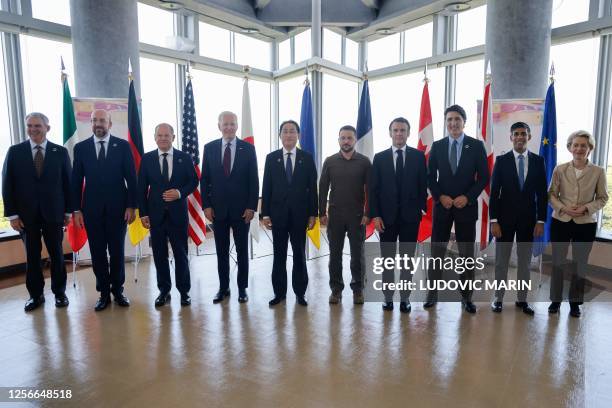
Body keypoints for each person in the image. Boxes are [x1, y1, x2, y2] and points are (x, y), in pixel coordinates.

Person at [2, 113, 72, 312]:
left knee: (57, 255)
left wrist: (68, 211)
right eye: (30, 126)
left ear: (47, 128)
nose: (33, 129)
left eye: (37, 126)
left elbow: (68, 183)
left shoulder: (60, 151)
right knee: (32, 257)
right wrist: (13, 215)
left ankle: (60, 293)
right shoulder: (15, 152)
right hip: (26, 217)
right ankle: (35, 295)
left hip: (54, 214)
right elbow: (7, 184)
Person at [426, 105, 489, 313]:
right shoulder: (437, 146)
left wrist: (468, 197)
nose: (453, 123)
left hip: (466, 208)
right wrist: (440, 196)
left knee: (466, 254)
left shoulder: (477, 146)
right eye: (449, 119)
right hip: (442, 207)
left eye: (457, 119)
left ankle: (466, 296)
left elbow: (484, 177)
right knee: (437, 252)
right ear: (446, 122)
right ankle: (432, 293)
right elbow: (429, 177)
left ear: (464, 122)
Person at [72, 109, 137, 311]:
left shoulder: (123, 146)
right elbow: (76, 181)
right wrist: (76, 210)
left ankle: (118, 291)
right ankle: (103, 293)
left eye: (102, 120)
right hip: (91, 211)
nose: (98, 124)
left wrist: (131, 205)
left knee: (117, 252)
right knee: (98, 253)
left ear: (110, 123)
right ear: (90, 123)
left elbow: (132, 179)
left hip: (118, 210)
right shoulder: (81, 148)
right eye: (94, 120)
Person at [369, 117, 427, 313]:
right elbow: (373, 190)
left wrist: (419, 208)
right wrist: (375, 216)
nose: (399, 134)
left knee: (407, 261)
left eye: (403, 130)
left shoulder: (419, 157)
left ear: (408, 133)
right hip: (386, 219)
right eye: (396, 130)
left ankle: (405, 298)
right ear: (390, 133)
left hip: (411, 219)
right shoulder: (380, 157)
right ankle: (387, 297)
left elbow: (422, 186)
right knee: (387, 260)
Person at [548, 130, 608, 317]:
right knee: (558, 261)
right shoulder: (560, 168)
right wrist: (564, 208)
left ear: (590, 149)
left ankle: (575, 303)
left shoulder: (598, 171)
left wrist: (585, 208)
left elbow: (602, 198)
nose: (579, 148)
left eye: (584, 145)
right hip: (561, 221)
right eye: (576, 145)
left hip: (585, 223)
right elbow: (551, 194)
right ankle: (555, 301)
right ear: (570, 147)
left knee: (580, 263)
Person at [489, 122, 547, 315]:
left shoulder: (538, 161)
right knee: (501, 262)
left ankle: (522, 300)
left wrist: (541, 221)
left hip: (528, 221)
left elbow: (542, 194)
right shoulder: (502, 160)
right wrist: (494, 220)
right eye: (516, 134)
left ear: (529, 137)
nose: (520, 137)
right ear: (511, 137)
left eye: (524, 133)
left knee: (524, 262)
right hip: (503, 221)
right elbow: (494, 193)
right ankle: (498, 298)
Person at [138, 123, 198, 307]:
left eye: (166, 135)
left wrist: (180, 193)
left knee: (181, 254)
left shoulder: (184, 157)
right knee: (159, 255)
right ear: (154, 137)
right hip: (155, 216)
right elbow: (141, 188)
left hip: (178, 215)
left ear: (173, 137)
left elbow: (194, 181)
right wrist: (143, 214)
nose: (163, 138)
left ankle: (184, 292)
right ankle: (164, 291)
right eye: (159, 135)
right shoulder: (147, 159)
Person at [201, 111, 259, 304]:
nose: (229, 127)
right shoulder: (209, 148)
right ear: (219, 126)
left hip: (242, 211)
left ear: (236, 125)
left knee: (242, 250)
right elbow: (205, 179)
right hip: (217, 211)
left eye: (232, 124)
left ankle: (242, 288)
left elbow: (253, 180)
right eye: (225, 124)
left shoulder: (248, 148)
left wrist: (252, 206)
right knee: (221, 251)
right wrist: (206, 206)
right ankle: (223, 287)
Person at [261, 120, 318, 307]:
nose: (289, 135)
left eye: (292, 131)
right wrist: (265, 214)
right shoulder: (271, 158)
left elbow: (312, 189)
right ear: (280, 135)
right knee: (279, 255)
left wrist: (312, 214)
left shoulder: (307, 158)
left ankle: (300, 293)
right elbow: (267, 188)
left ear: (298, 135)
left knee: (299, 255)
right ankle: (279, 293)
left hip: (300, 216)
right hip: (277, 216)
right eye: (285, 131)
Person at [319, 125, 371, 305]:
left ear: (355, 140)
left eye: (349, 138)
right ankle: (336, 290)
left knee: (358, 256)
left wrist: (368, 213)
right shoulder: (330, 161)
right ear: (339, 140)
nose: (346, 141)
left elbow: (371, 190)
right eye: (343, 138)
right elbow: (323, 188)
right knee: (335, 255)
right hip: (335, 216)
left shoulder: (364, 162)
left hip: (358, 217)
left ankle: (358, 290)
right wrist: (321, 213)